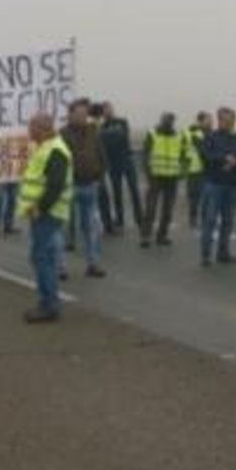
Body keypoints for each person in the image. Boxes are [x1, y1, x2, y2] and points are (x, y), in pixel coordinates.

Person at [21, 113, 72, 323]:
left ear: (42, 129)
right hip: (45, 213)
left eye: (31, 127)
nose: (28, 131)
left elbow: (55, 185)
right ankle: (47, 302)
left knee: (41, 258)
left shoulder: (56, 150)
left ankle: (49, 305)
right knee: (43, 257)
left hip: (48, 214)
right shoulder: (46, 147)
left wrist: (40, 208)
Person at [61, 100, 108, 278]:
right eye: (79, 114)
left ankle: (93, 264)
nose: (83, 117)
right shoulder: (63, 134)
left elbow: (101, 153)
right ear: (70, 115)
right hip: (70, 185)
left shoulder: (93, 132)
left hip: (90, 184)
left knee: (91, 228)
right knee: (65, 228)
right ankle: (61, 267)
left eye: (84, 114)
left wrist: (101, 175)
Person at [197, 107, 236, 266]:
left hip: (232, 185)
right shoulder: (210, 137)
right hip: (214, 184)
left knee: (228, 221)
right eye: (225, 120)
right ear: (219, 120)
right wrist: (224, 159)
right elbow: (206, 155)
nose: (229, 123)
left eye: (231, 120)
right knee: (210, 220)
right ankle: (206, 254)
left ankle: (223, 252)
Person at [142, 112, 187, 247]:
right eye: (167, 120)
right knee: (151, 207)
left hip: (172, 176)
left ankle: (162, 235)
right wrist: (148, 171)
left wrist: (182, 172)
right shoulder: (153, 134)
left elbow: (183, 156)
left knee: (167, 209)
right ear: (161, 120)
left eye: (171, 120)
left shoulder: (178, 136)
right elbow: (145, 154)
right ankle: (145, 236)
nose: (168, 123)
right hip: (155, 176)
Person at [99, 102, 143, 236]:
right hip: (113, 163)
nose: (108, 111)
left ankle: (140, 219)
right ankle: (120, 220)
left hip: (127, 160)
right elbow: (105, 140)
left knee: (134, 189)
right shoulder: (102, 126)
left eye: (110, 108)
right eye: (105, 109)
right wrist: (112, 135)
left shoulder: (122, 121)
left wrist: (108, 135)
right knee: (117, 192)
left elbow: (122, 136)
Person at [185, 111, 212, 229]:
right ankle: (193, 218)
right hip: (195, 168)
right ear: (201, 121)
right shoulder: (195, 133)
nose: (211, 122)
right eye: (208, 120)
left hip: (206, 169)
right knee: (195, 196)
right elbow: (204, 150)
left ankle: (205, 218)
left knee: (208, 196)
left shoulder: (210, 133)